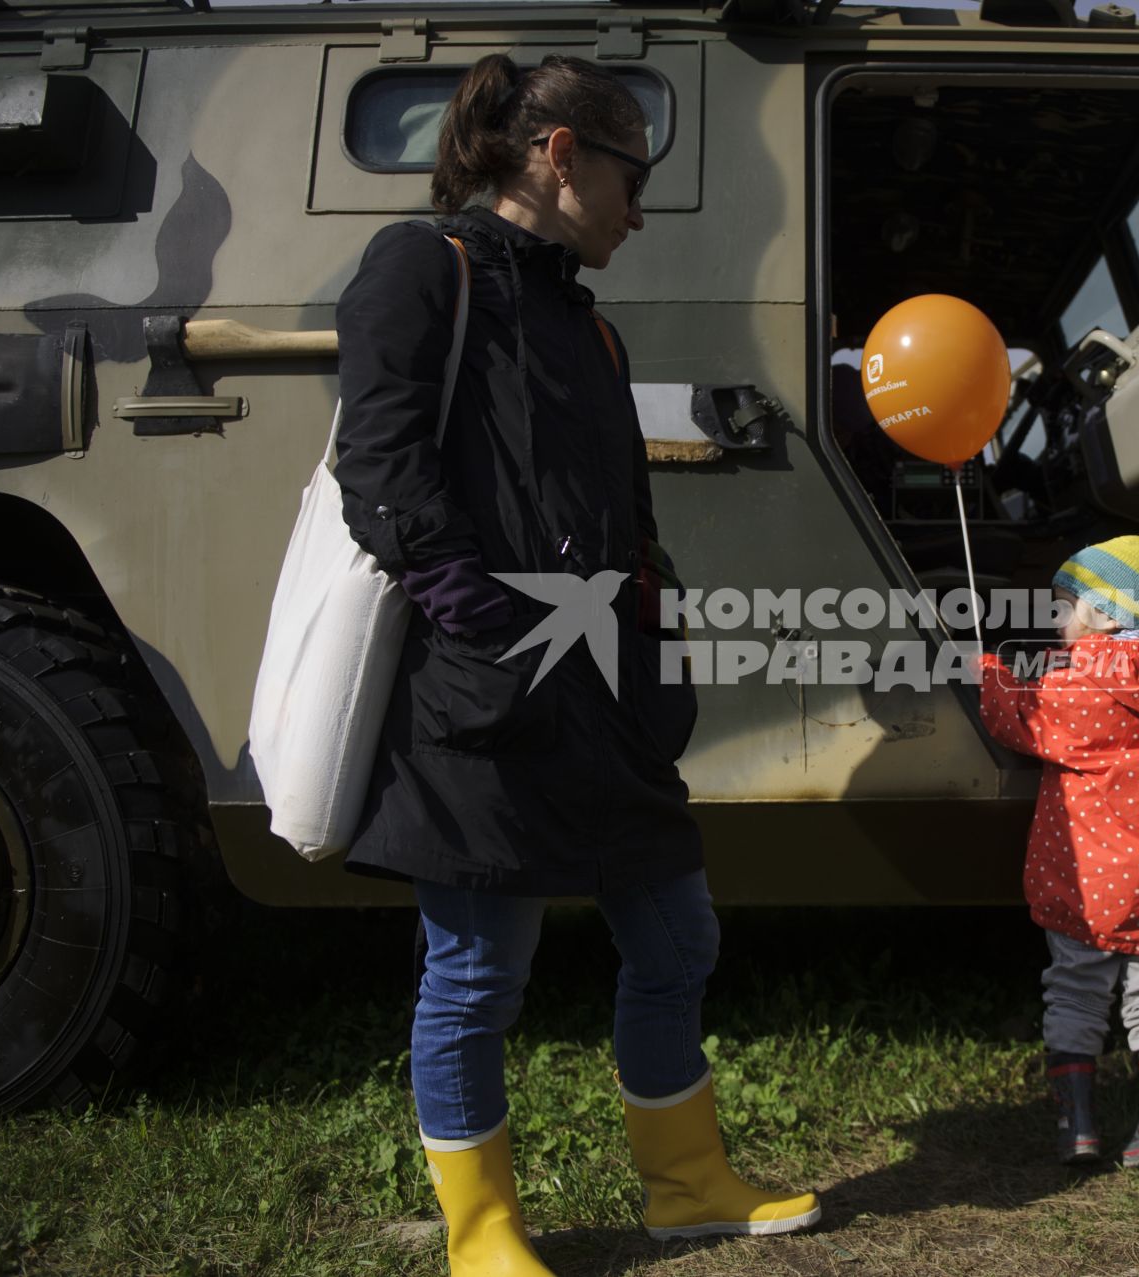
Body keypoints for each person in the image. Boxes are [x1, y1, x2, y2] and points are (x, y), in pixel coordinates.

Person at [332, 53, 819, 1275]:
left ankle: (685, 1182)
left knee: (678, 939)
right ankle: (485, 1234)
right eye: (630, 177)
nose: (639, 211)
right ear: (560, 158)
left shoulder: (587, 324)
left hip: (604, 698)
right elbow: (380, 476)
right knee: (478, 971)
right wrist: (490, 628)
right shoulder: (420, 268)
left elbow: (623, 511)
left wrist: (655, 627)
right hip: (481, 704)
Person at [976, 535, 1139, 1168]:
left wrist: (992, 673)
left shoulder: (1082, 686)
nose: (1055, 621)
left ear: (1107, 614)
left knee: (1077, 990)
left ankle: (1077, 1126)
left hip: (1085, 880)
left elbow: (1021, 720)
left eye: (1063, 607)